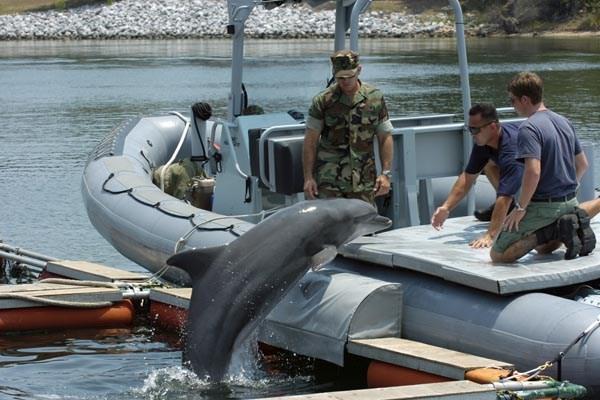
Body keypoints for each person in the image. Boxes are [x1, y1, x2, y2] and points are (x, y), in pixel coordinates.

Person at [491, 71, 595, 262]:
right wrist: (571, 188)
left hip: (544, 206)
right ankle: (565, 223)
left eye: (512, 100)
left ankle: (549, 230)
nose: (512, 105)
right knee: (542, 251)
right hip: (570, 200)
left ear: (524, 99)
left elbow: (533, 171)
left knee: (497, 254)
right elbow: (583, 164)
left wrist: (520, 208)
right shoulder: (565, 122)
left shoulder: (528, 128)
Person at [302, 49, 394, 205]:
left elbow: (385, 136)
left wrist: (385, 174)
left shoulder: (375, 98)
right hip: (329, 182)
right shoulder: (323, 101)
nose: (345, 82)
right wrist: (308, 178)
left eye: (350, 76)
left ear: (359, 70)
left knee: (364, 225)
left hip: (363, 182)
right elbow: (310, 141)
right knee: (329, 227)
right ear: (334, 73)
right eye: (340, 77)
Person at [431, 103, 523, 248]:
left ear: (493, 127)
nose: (472, 134)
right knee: (487, 163)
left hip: (543, 177)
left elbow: (504, 197)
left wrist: (491, 235)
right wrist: (446, 207)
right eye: (469, 129)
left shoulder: (511, 149)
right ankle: (509, 207)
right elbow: (468, 177)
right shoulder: (483, 144)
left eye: (475, 129)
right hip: (518, 177)